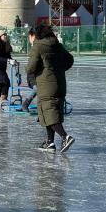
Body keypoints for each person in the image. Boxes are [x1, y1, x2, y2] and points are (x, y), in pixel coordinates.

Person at [26, 24, 75, 152]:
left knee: (48, 114)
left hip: (46, 85)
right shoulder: (57, 45)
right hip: (60, 84)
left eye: (30, 36)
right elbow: (70, 60)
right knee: (51, 113)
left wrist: (44, 71)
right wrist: (57, 69)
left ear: (34, 35)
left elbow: (30, 68)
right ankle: (50, 142)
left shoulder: (38, 47)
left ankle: (65, 137)